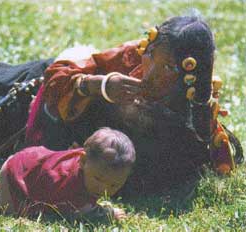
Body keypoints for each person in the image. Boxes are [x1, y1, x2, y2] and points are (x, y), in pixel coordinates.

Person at [25, 15, 242, 194]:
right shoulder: (132, 56)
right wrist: (99, 85)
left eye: (167, 68)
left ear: (191, 77)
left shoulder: (193, 114)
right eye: (151, 56)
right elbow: (55, 79)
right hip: (39, 102)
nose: (150, 74)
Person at [0, 127, 136, 220]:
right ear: (83, 160)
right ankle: (2, 189)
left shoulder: (90, 164)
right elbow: (77, 213)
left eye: (114, 185)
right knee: (12, 212)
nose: (104, 189)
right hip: (15, 170)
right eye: (98, 179)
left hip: (35, 164)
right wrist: (107, 213)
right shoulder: (69, 182)